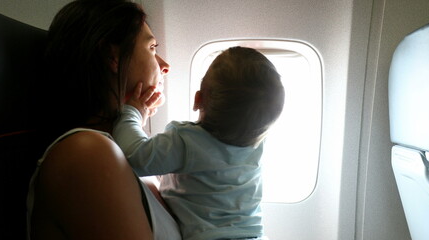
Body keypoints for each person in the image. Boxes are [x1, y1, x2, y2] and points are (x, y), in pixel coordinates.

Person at [26, 0, 181, 239]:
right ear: (113, 56)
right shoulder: (86, 152)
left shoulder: (126, 155)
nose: (165, 66)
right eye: (152, 48)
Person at [113, 46, 286, 240]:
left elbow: (135, 156)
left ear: (197, 99)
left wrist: (133, 112)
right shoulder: (256, 147)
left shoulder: (187, 142)